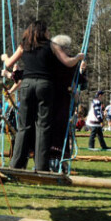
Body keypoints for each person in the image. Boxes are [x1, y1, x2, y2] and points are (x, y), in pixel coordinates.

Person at [1, 21, 84, 171]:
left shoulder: (23, 45)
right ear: (43, 31)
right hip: (45, 85)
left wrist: (4, 57)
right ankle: (41, 166)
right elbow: (68, 62)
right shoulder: (52, 45)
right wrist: (78, 57)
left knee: (24, 126)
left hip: (26, 84)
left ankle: (16, 164)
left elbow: (8, 63)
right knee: (43, 126)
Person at [44, 34, 87, 172]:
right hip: (61, 101)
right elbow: (81, 83)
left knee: (47, 131)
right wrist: (82, 71)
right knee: (60, 132)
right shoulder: (69, 64)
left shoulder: (47, 63)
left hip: (48, 100)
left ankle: (46, 161)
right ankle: (59, 161)